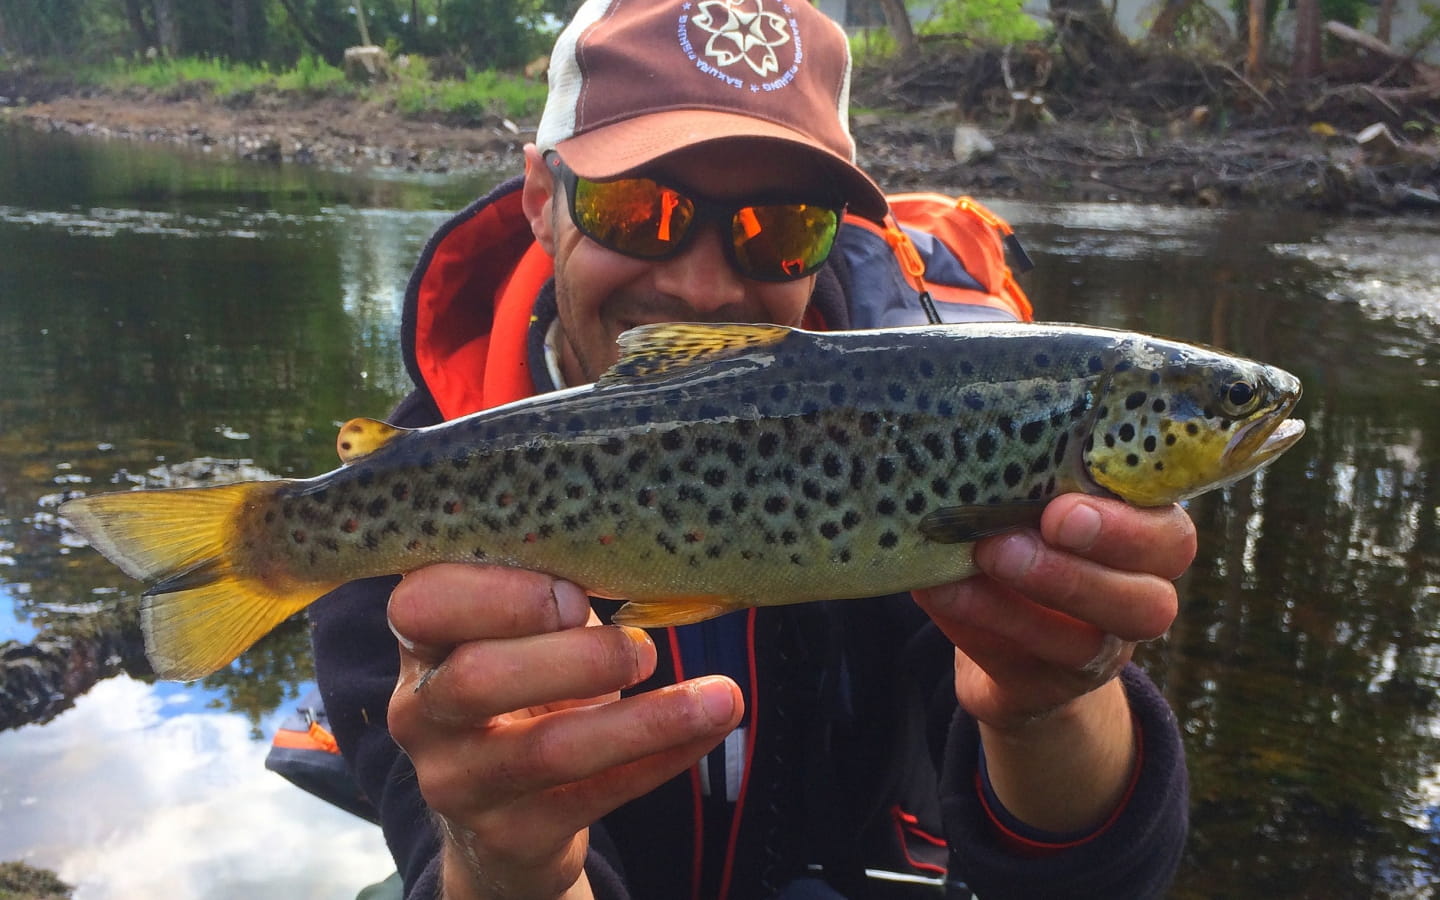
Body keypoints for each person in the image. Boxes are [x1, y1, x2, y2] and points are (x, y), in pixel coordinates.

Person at [309, 1, 1192, 897]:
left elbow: (1094, 881)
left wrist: (1053, 700)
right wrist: (505, 861)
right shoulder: (404, 510)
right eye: (638, 208)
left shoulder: (944, 430)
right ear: (544, 200)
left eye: (778, 227)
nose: (700, 285)